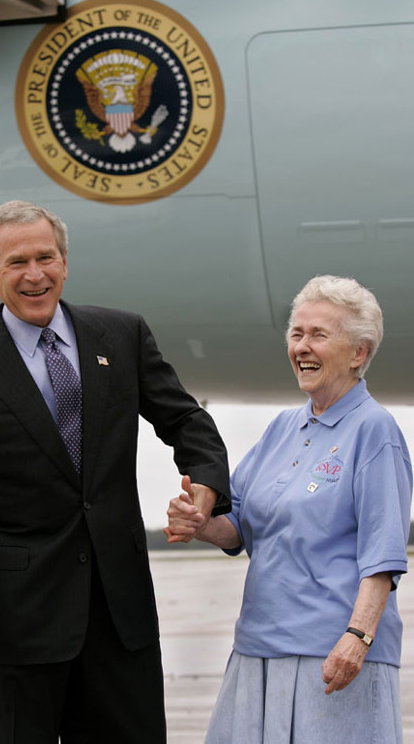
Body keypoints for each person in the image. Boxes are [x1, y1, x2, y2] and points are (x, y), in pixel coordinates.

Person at [0, 200, 230, 744]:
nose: (34, 275)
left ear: (65, 262)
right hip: (14, 628)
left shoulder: (121, 335)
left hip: (119, 615)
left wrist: (205, 481)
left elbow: (185, 419)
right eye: (16, 263)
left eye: (46, 257)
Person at [166, 275, 412, 743]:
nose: (302, 346)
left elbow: (382, 557)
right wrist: (199, 523)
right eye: (297, 334)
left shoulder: (374, 431)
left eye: (319, 335)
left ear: (359, 353)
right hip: (258, 647)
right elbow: (238, 528)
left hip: (330, 657)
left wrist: (357, 638)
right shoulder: (283, 426)